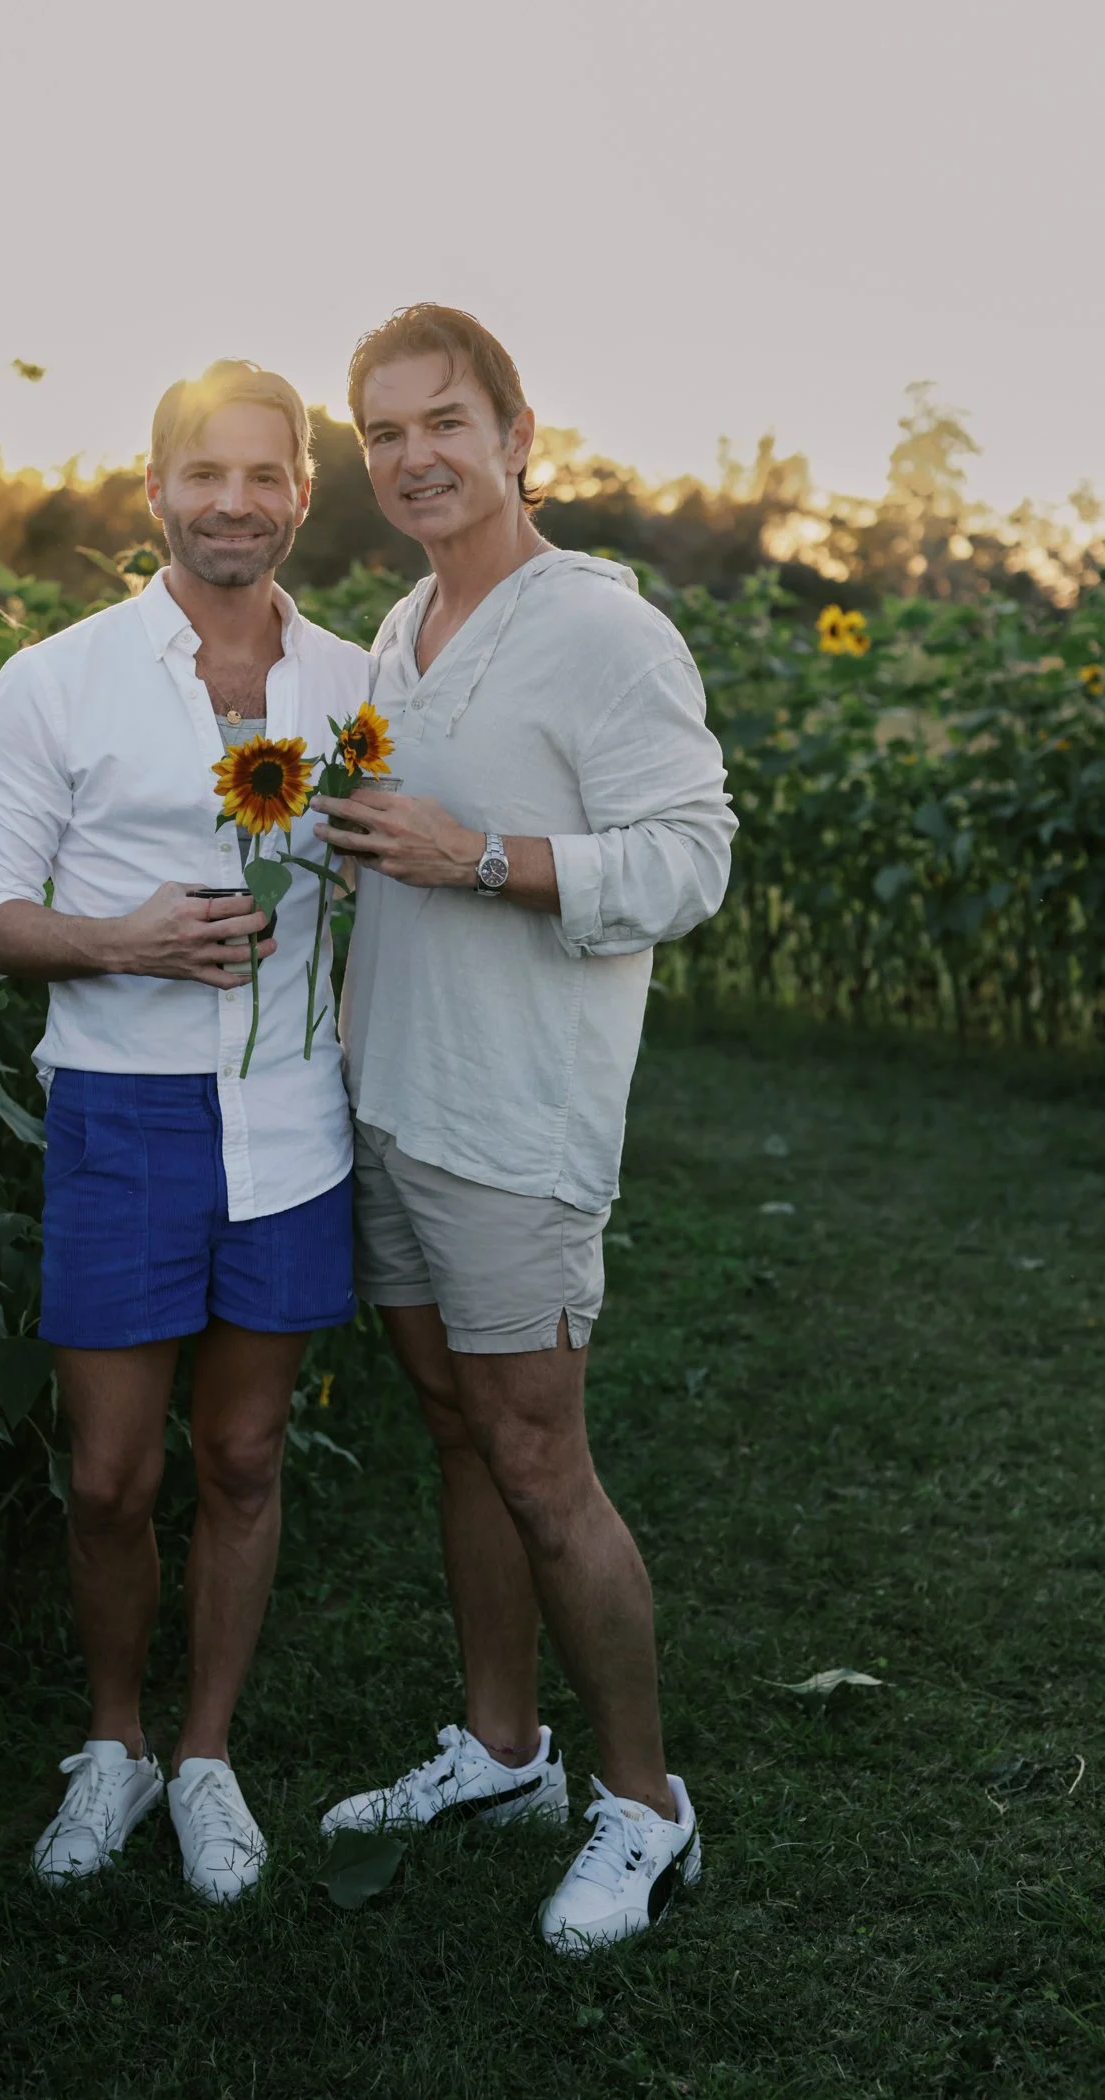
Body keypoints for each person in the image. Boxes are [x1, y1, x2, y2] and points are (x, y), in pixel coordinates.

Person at [312, 305, 737, 1955]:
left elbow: (692, 859)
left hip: (514, 1117)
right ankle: (503, 1753)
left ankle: (646, 1805)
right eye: (383, 433)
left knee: (544, 1459)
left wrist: (486, 858)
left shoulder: (599, 629)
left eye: (444, 423)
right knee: (455, 1431)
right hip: (390, 1093)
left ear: (518, 435)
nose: (414, 457)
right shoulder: (400, 628)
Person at [0, 360, 368, 1901]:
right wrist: (126, 941)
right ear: (155, 491)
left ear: (302, 497)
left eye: (266, 477)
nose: (234, 504)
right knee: (111, 1479)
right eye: (206, 474)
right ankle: (111, 1746)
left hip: (292, 1112)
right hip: (124, 1113)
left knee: (246, 1455)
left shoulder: (349, 690)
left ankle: (205, 1757)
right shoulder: (56, 680)